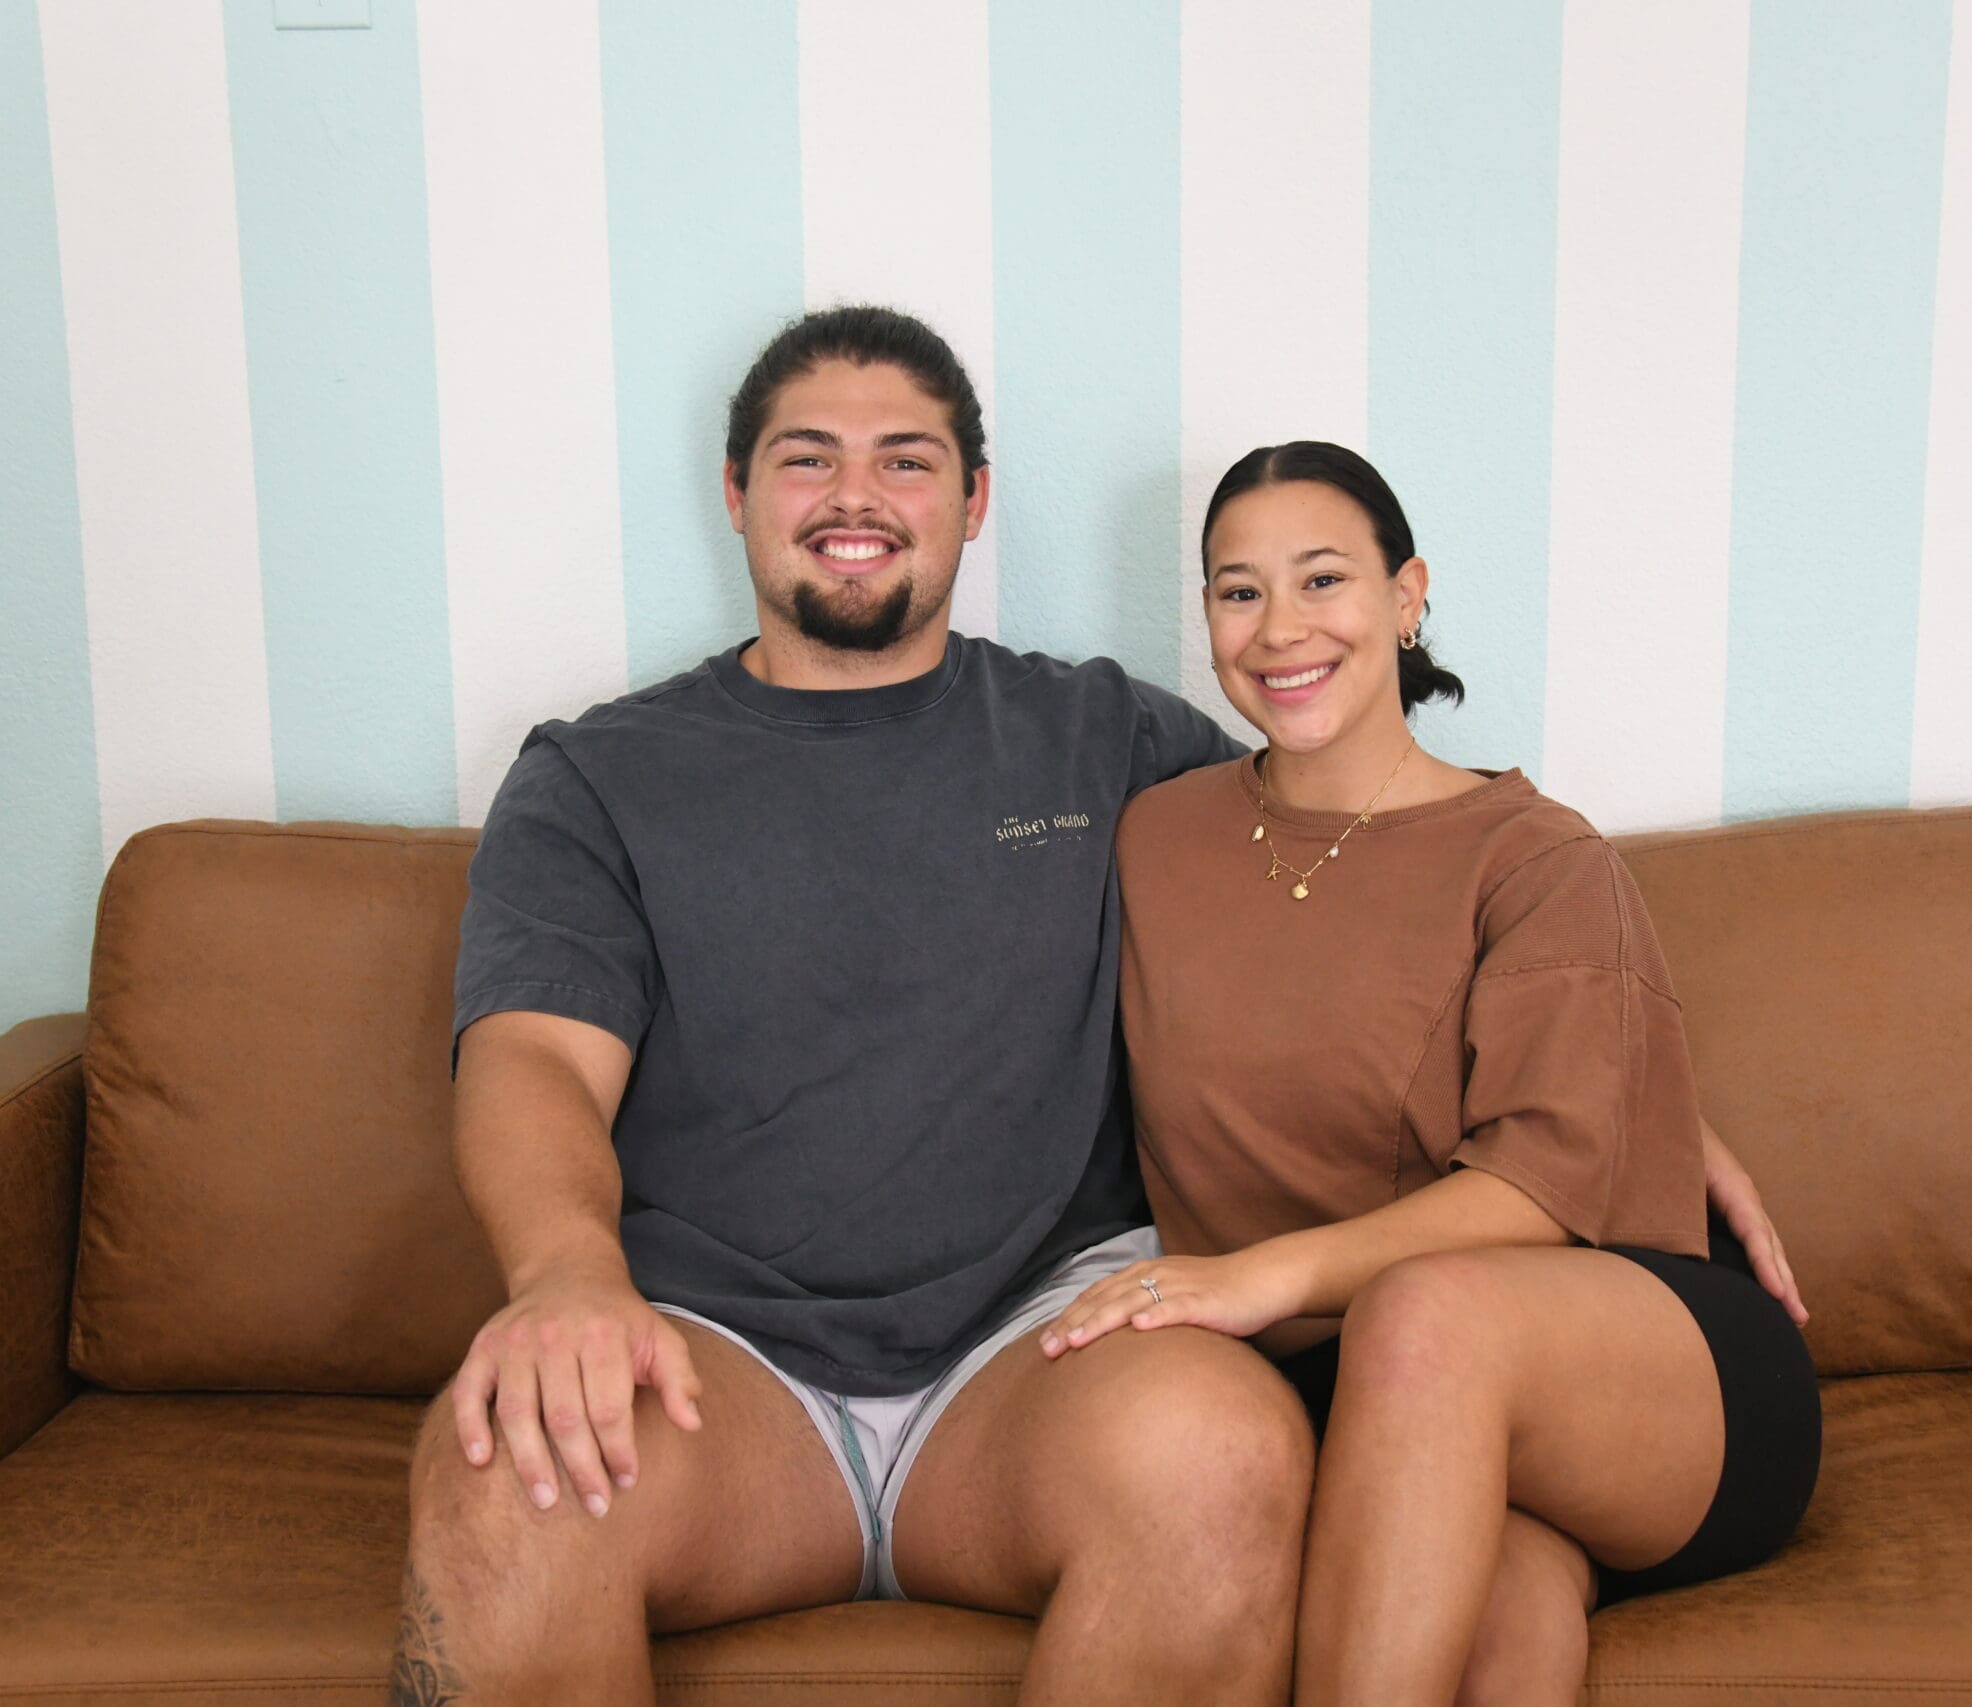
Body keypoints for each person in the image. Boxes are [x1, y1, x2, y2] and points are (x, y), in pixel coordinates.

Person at [396, 309, 1803, 1705]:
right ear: (737, 492)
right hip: (719, 1358)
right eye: (808, 457)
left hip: (1041, 1351)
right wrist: (564, 1271)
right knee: (503, 1478)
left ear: (973, 501)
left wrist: (1631, 1098)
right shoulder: (599, 776)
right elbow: (533, 1062)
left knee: (1219, 1457)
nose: (855, 497)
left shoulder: (1108, 742)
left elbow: (1381, 880)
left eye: (906, 460)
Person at [1038, 441, 1823, 1705]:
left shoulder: (1535, 855)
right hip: (1359, 1393)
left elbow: (1545, 1183)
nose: (1279, 628)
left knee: (1424, 1317)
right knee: (1499, 1625)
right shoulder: (1154, 830)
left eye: (1323, 579)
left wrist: (1257, 1276)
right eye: (1238, 591)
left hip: (1633, 1363)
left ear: (1406, 597)